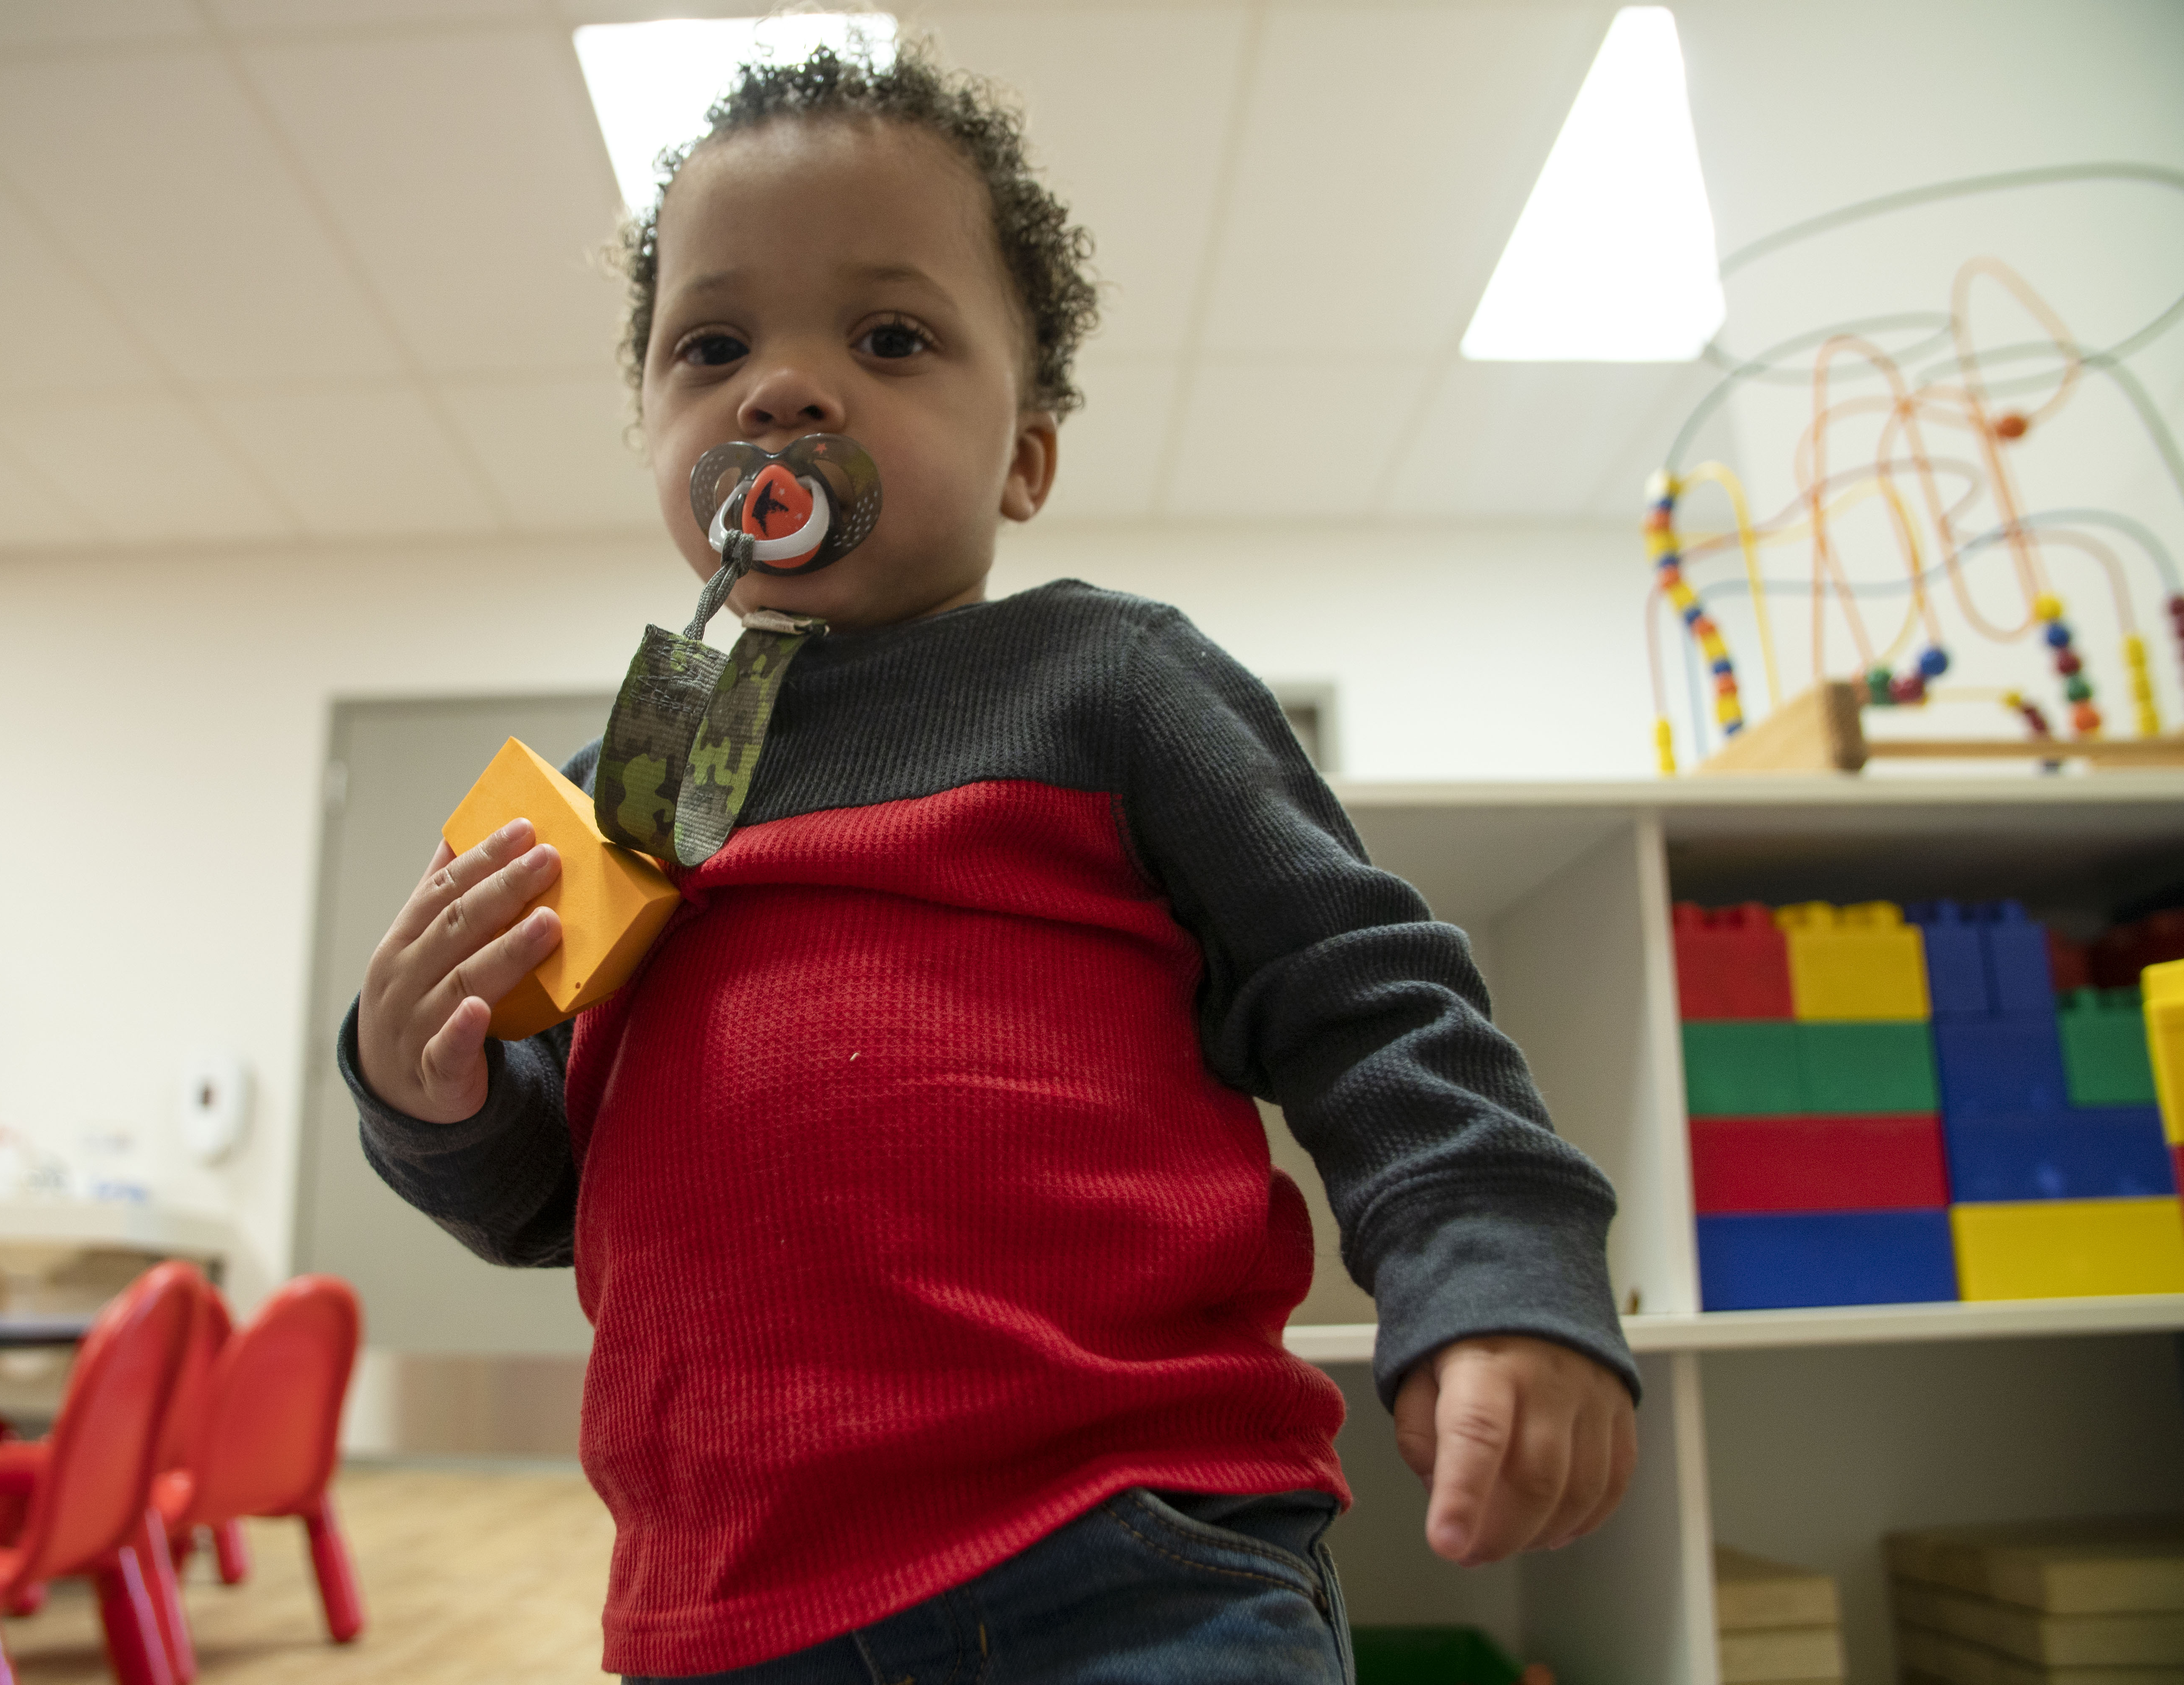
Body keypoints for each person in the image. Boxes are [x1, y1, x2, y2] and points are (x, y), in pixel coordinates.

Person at [344, 39, 1637, 1685]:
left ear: (1026, 454)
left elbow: (1371, 1004)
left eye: (889, 337)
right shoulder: (631, 789)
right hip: (727, 1604)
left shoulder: (1110, 683)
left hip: (1133, 1552)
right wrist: (421, 1086)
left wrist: (1503, 1263)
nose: (784, 389)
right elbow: (544, 1192)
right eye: (713, 344)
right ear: (660, 434)